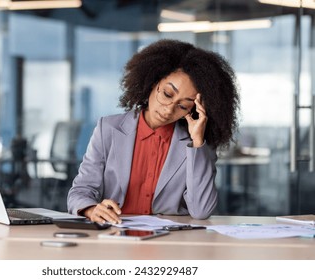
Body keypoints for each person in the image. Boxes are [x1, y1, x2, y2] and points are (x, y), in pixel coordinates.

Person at [67, 39, 240, 223]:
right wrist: (91, 209)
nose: (168, 110)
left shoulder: (197, 144)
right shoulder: (108, 129)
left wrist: (197, 142)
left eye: (182, 106)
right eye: (167, 94)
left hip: (169, 241)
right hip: (115, 235)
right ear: (152, 81)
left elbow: (201, 210)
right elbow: (80, 191)